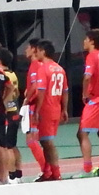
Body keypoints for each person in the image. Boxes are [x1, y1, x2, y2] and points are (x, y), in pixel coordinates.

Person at [74, 29, 99, 177]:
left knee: (82, 133)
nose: (84, 41)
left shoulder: (92, 55)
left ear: (92, 41)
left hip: (96, 100)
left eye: (86, 39)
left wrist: (84, 94)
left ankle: (87, 169)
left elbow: (87, 76)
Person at [33, 40, 68, 181]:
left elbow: (41, 91)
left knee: (47, 142)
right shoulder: (60, 69)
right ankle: (49, 172)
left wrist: (36, 110)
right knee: (45, 141)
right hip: (56, 108)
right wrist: (65, 109)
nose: (36, 53)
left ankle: (56, 173)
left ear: (43, 51)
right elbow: (65, 91)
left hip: (46, 109)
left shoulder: (43, 69)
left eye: (37, 50)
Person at [0, 48, 21, 184]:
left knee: (7, 147)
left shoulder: (3, 75)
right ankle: (18, 173)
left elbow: (8, 90)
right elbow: (17, 93)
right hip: (15, 109)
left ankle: (11, 176)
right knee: (13, 145)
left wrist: (3, 103)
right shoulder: (13, 74)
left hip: (8, 112)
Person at [23, 38, 48, 180]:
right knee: (39, 139)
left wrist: (26, 99)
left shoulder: (35, 64)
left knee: (31, 140)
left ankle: (46, 169)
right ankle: (47, 169)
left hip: (34, 105)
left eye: (28, 47)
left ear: (33, 49)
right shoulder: (41, 65)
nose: (25, 50)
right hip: (41, 104)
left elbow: (35, 85)